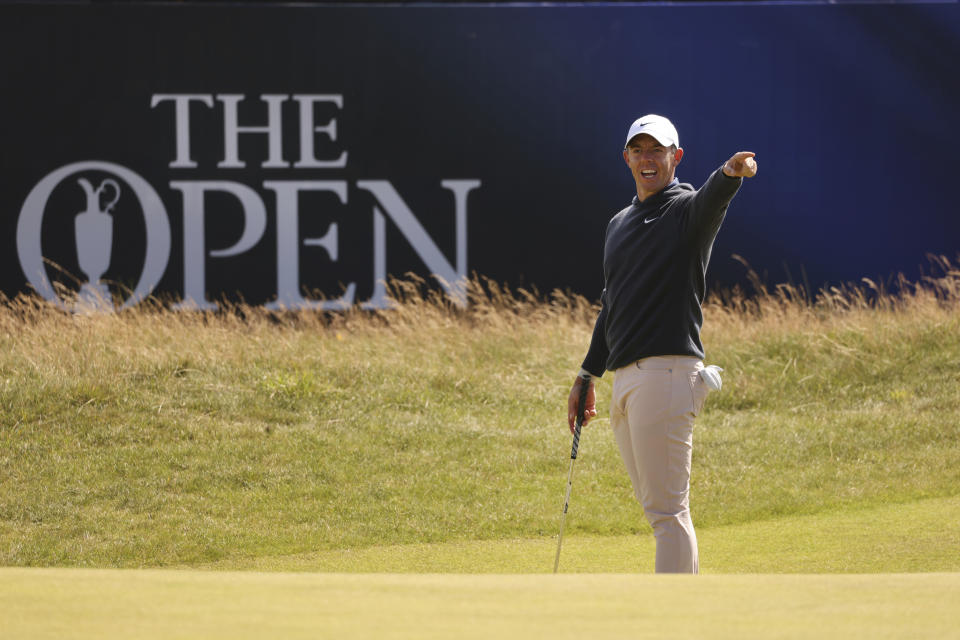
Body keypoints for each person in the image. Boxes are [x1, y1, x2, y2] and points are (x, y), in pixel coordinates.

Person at [566, 114, 757, 573]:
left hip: (669, 373)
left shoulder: (686, 209)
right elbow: (612, 309)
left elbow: (712, 200)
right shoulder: (619, 224)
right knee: (660, 513)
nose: (648, 159)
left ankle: (675, 620)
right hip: (626, 379)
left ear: (677, 156)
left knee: (669, 513)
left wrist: (730, 174)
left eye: (658, 150)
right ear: (627, 157)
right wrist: (587, 375)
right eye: (640, 150)